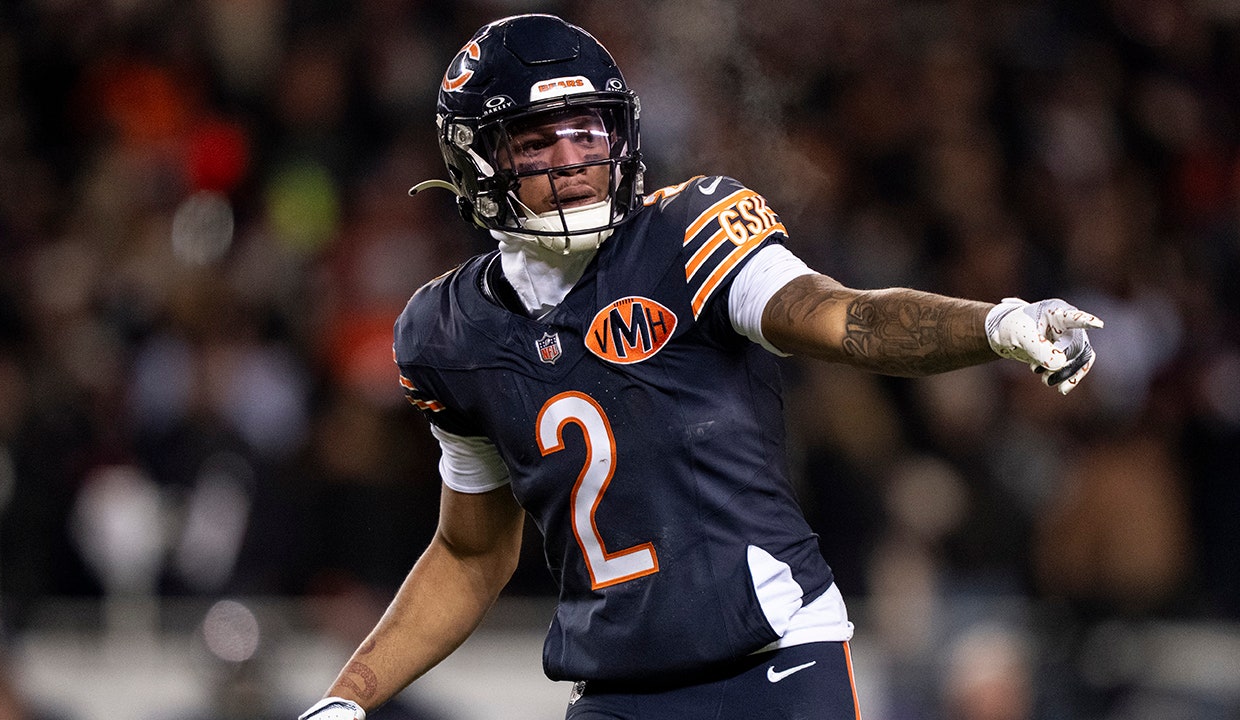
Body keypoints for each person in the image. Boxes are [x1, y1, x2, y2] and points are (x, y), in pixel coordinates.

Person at [300, 13, 1101, 720]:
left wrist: (995, 324)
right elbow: (471, 554)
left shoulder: (687, 232)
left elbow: (842, 317)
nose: (572, 161)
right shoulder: (449, 333)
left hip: (771, 664)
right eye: (538, 141)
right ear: (477, 162)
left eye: (588, 133)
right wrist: (352, 693)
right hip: (614, 689)